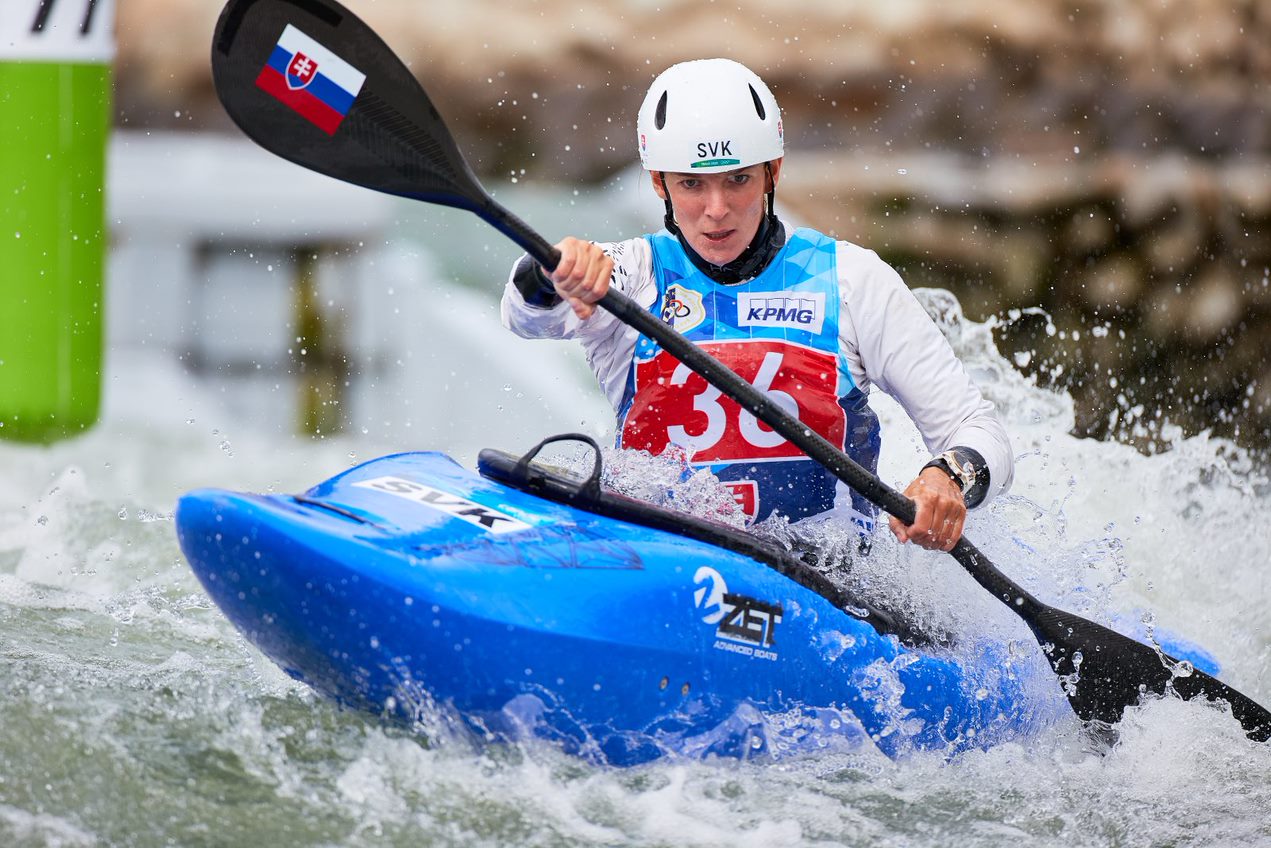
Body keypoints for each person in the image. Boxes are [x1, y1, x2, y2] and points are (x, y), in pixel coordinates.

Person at [501, 58, 1012, 553]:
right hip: (660, 562)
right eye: (692, 184)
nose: (716, 210)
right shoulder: (631, 275)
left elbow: (977, 428)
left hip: (826, 590)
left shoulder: (852, 280)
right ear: (658, 182)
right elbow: (524, 316)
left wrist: (946, 478)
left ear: (773, 172)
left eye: (738, 179)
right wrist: (553, 272)